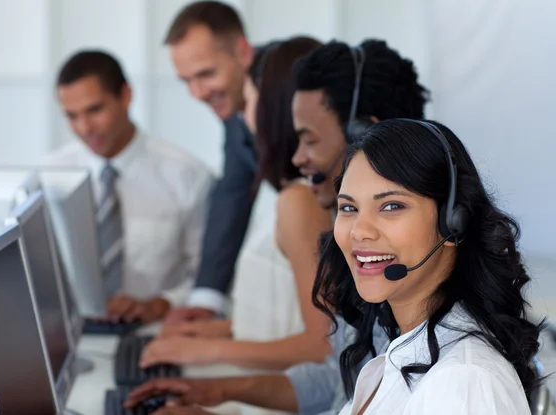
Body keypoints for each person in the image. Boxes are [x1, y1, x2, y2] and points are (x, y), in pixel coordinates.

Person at [124, 39, 430, 415]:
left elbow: (323, 352)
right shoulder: (368, 257)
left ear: (364, 135)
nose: (299, 157)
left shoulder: (418, 292)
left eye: (310, 139)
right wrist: (213, 390)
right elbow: (336, 381)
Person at [139, 38, 333, 379]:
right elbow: (285, 308)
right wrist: (219, 329)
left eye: (250, 96)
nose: (243, 114)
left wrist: (205, 351)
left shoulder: (300, 202)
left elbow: (323, 345)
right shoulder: (294, 194)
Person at [318, 119, 541, 414]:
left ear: (452, 224)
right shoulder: (406, 355)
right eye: (348, 208)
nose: (359, 231)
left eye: (391, 206)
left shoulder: (462, 383)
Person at [44, 50, 214, 323]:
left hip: (154, 332)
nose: (85, 127)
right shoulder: (49, 176)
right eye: (72, 116)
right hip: (70, 333)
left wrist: (161, 304)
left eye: (95, 110)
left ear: (125, 96)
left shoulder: (188, 175)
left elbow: (209, 278)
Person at [161, 1, 259, 325]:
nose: (197, 93)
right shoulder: (236, 106)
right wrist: (206, 298)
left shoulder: (289, 87)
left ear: (243, 52)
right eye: (186, 80)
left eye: (205, 74)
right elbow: (232, 192)